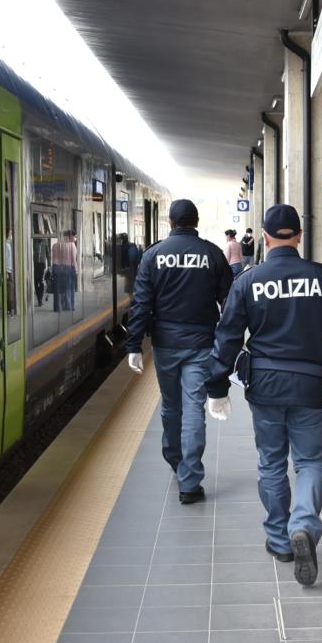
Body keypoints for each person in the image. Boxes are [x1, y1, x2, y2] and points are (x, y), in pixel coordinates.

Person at [206, 204, 322, 586]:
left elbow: (227, 337)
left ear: (263, 237)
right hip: (310, 386)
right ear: (298, 236)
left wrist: (216, 388)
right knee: (310, 462)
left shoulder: (248, 281)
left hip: (264, 388)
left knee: (271, 462)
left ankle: (279, 540)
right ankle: (304, 527)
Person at [125, 199, 233, 504]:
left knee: (172, 406)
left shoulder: (153, 256)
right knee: (194, 409)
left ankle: (175, 459)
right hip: (201, 343)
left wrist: (133, 344)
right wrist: (229, 343)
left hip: (165, 344)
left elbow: (141, 304)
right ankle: (189, 479)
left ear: (170, 223)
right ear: (196, 222)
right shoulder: (212, 254)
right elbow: (229, 303)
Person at [50, 230, 78, 311]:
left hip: (55, 267)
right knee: (69, 288)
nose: (74, 238)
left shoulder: (55, 245)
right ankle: (69, 306)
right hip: (67, 267)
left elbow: (53, 258)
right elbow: (73, 259)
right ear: (69, 237)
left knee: (58, 289)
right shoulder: (71, 245)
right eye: (74, 236)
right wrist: (76, 270)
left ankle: (57, 308)